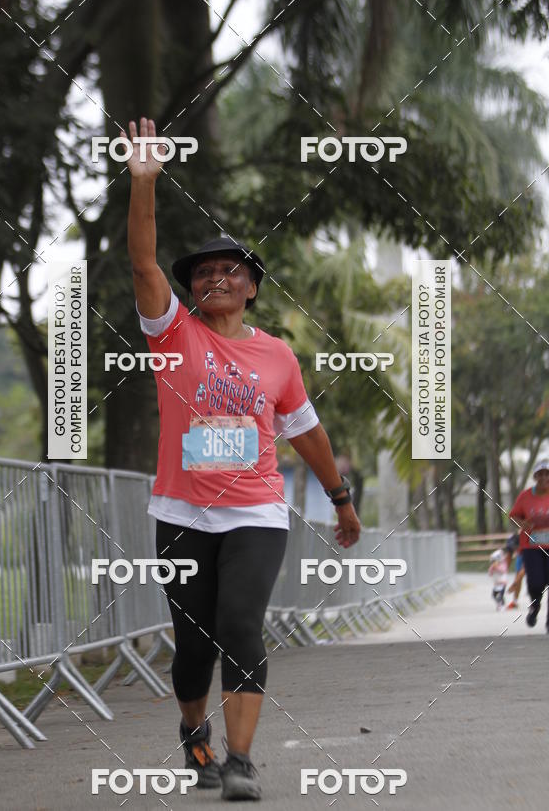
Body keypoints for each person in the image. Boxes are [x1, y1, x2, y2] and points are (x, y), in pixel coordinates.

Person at [125, 117, 361, 800]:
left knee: (238, 626)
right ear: (192, 290)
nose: (217, 277)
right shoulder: (172, 335)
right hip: (181, 510)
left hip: (256, 509)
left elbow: (308, 431)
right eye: (204, 272)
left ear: (252, 287)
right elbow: (143, 262)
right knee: (193, 644)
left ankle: (241, 762)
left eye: (231, 269)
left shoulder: (277, 355)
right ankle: (194, 736)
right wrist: (145, 182)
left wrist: (340, 498)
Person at [509, 458, 549, 631]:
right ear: (535, 477)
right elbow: (513, 516)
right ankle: (535, 606)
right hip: (531, 547)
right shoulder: (525, 496)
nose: (544, 478)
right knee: (536, 583)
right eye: (540, 474)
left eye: (547, 474)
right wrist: (523, 524)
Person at [504, 532, 524, 609]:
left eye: (516, 548)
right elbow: (508, 557)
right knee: (518, 574)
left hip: (535, 551)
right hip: (521, 554)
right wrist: (504, 572)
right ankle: (515, 601)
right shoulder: (512, 540)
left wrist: (514, 584)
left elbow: (524, 570)